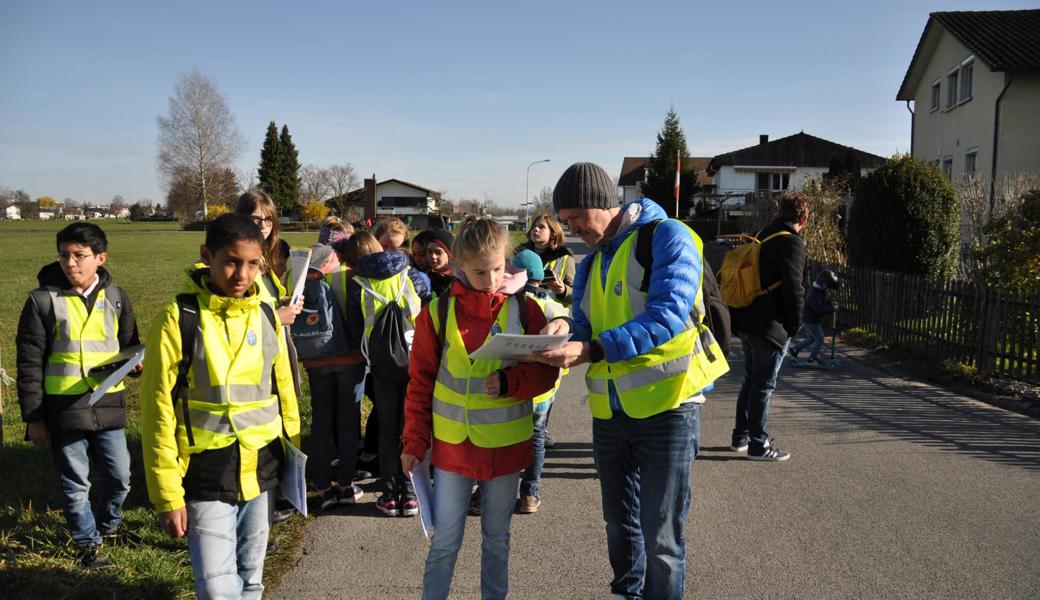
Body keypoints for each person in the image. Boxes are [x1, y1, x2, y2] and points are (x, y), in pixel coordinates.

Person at [530, 162, 729, 599]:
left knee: (662, 539)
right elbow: (582, 324)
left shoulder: (668, 237)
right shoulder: (591, 262)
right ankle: (626, 592)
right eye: (566, 222)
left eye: (578, 217)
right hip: (611, 411)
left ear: (605, 203)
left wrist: (593, 349)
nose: (574, 228)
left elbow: (668, 317)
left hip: (671, 407)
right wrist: (563, 329)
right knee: (619, 525)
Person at [140, 213, 301, 599]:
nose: (241, 275)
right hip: (205, 472)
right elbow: (157, 410)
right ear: (206, 255)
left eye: (252, 263)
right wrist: (167, 495)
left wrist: (295, 465)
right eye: (230, 261)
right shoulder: (178, 318)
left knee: (251, 578)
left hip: (262, 469)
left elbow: (285, 394)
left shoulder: (266, 315)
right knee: (216, 587)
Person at [401, 217, 559, 600]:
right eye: (480, 272)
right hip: (454, 448)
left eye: (499, 269)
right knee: (444, 542)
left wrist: (510, 383)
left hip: (506, 449)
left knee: (497, 540)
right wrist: (413, 441)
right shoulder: (436, 314)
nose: (491, 280)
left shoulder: (526, 310)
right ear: (458, 266)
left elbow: (547, 376)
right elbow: (420, 384)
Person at [16, 222, 140, 569]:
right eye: (64, 255)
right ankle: (87, 544)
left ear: (100, 258)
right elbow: (28, 365)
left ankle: (108, 526)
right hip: (64, 409)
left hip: (109, 405)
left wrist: (136, 363)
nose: (71, 263)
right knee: (76, 484)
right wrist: (35, 418)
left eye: (80, 256)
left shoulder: (117, 297)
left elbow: (130, 344)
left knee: (121, 479)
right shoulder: (42, 302)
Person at [346, 234, 432, 517]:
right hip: (414, 361)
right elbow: (429, 310)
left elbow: (356, 326)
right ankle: (411, 494)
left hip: (381, 366)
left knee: (387, 428)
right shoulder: (413, 276)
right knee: (413, 427)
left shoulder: (360, 282)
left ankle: (389, 494)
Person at [729, 192, 810, 462]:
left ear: (779, 212)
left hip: (747, 320)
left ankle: (740, 437)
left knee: (751, 380)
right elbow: (794, 290)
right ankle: (758, 445)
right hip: (769, 326)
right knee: (763, 385)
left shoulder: (763, 234)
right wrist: (794, 325)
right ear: (803, 218)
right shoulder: (791, 243)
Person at [297, 244, 365, 510]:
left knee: (321, 423)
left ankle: (324, 486)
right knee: (348, 424)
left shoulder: (298, 282)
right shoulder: (348, 277)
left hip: (316, 360)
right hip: (350, 361)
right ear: (333, 259)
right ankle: (346, 484)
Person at [511, 249, 568, 515]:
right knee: (536, 438)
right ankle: (530, 494)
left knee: (506, 439)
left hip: (512, 384)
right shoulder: (554, 307)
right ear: (539, 276)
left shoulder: (507, 304)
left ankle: (488, 493)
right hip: (544, 389)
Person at [327, 232, 384, 478]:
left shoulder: (335, 276)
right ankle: (359, 460)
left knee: (336, 413)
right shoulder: (366, 279)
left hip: (330, 351)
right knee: (367, 407)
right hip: (362, 353)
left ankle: (341, 458)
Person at [516, 214, 576, 306]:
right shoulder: (519, 254)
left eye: (541, 227)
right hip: (523, 312)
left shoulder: (565, 258)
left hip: (552, 317)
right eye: (534, 227)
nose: (535, 229)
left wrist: (563, 291)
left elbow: (576, 295)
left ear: (553, 234)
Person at [790, 269, 839, 364]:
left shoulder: (818, 291)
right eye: (829, 288)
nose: (829, 291)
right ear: (824, 285)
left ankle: (795, 349)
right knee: (820, 339)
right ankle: (812, 357)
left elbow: (821, 303)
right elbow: (819, 309)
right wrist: (832, 308)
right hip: (810, 321)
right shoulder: (814, 294)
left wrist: (830, 303)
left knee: (811, 338)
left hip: (809, 319)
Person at [425, 229, 455, 297]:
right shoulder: (424, 277)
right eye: (429, 252)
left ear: (449, 254)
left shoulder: (459, 280)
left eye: (438, 252)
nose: (433, 256)